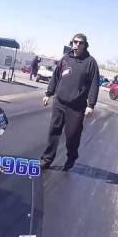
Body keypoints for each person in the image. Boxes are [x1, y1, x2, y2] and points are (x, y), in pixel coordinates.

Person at [40, 33, 99, 171]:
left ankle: (72, 156)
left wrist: (91, 104)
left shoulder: (90, 62)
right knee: (53, 132)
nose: (77, 45)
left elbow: (94, 85)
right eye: (75, 42)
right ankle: (47, 159)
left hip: (76, 107)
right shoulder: (65, 59)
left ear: (85, 45)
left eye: (80, 43)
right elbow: (55, 77)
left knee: (72, 135)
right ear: (71, 43)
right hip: (59, 102)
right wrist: (48, 93)